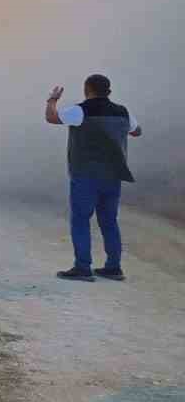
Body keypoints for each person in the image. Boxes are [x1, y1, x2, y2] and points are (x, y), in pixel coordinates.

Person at [45, 75, 141, 282]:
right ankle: (114, 267)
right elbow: (137, 131)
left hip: (86, 174)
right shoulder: (123, 111)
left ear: (87, 89)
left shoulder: (81, 110)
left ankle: (83, 268)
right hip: (114, 174)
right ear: (109, 90)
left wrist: (52, 100)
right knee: (109, 221)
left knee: (80, 219)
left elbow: (51, 118)